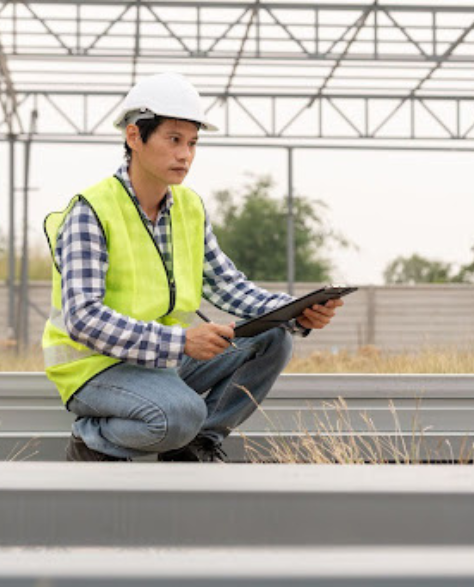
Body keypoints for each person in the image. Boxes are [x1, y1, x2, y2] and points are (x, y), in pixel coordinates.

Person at [42, 72, 344, 463]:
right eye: (173, 140)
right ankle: (92, 440)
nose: (185, 154)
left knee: (273, 337)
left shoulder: (189, 209)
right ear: (134, 137)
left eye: (192, 143)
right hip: (97, 368)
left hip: (158, 360)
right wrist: (181, 343)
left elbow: (229, 286)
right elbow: (83, 319)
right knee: (179, 414)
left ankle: (196, 443)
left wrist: (296, 310)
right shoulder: (91, 212)